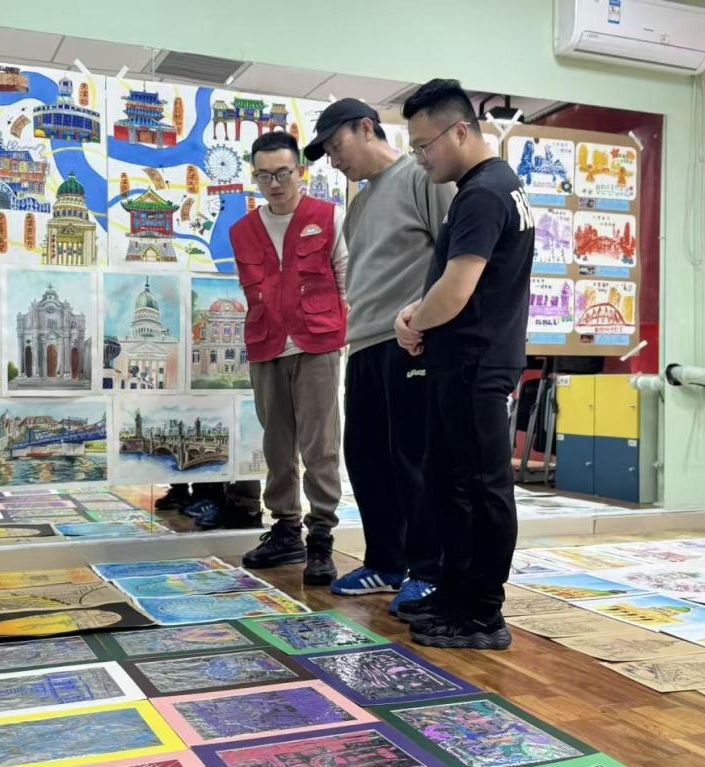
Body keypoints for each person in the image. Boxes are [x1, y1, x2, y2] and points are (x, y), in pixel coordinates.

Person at [393, 79, 534, 650]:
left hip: (476, 361)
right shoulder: (488, 187)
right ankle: (455, 593)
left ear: (459, 131)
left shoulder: (483, 194)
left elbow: (456, 290)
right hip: (464, 360)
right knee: (451, 483)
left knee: (480, 485)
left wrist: (413, 323)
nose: (421, 158)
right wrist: (418, 313)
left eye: (423, 146)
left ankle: (481, 612)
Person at [303, 99, 454, 613]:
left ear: (366, 128)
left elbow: (453, 257)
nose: (333, 160)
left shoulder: (421, 178)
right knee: (366, 459)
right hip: (363, 343)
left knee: (413, 458)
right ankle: (386, 563)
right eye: (326, 153)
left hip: (410, 340)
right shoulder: (360, 205)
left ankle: (428, 571)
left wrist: (426, 321)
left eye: (336, 146)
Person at [229, 131, 348, 585]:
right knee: (276, 444)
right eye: (264, 176)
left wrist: (339, 333)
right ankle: (285, 529)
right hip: (266, 344)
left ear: (300, 171)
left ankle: (321, 536)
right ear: (255, 176)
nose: (274, 184)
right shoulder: (243, 230)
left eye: (282, 173)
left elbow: (345, 281)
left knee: (321, 444)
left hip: (317, 343)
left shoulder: (329, 217)